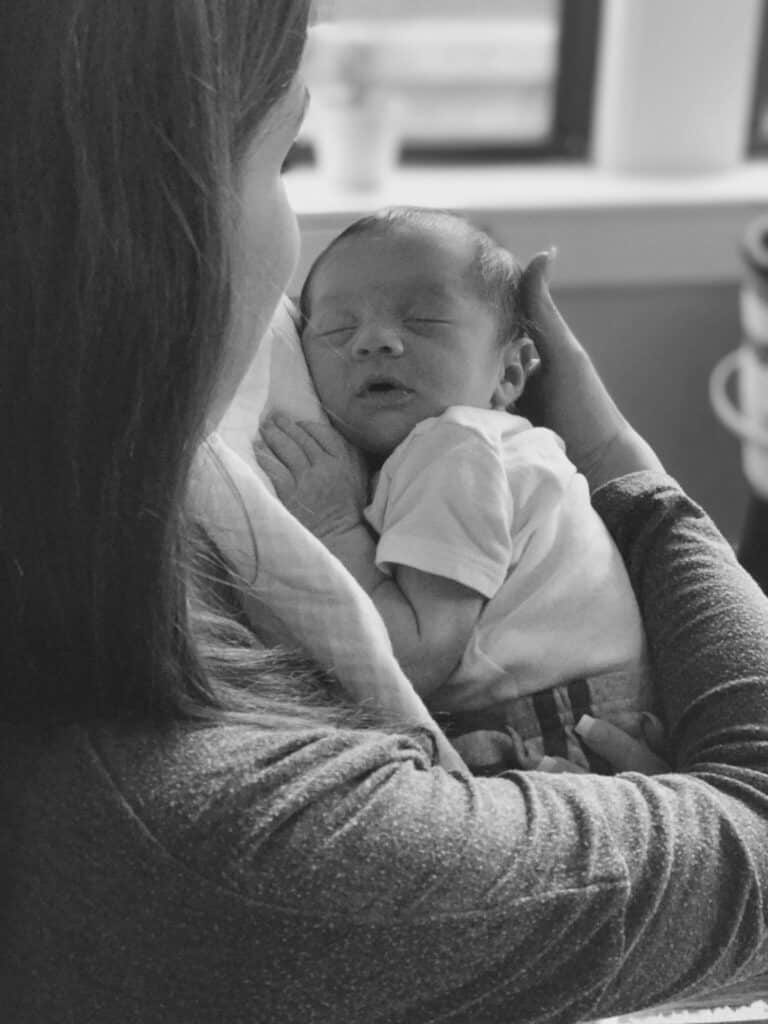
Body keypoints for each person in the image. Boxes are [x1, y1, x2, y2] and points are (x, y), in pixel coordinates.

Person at [3, 2, 768, 1023]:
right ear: (141, 242)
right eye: (282, 158)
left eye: (417, 319)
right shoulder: (229, 844)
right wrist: (625, 467)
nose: (363, 344)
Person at [257, 207, 656, 774]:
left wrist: (334, 526)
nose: (374, 341)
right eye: (339, 329)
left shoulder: (455, 449)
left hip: (545, 735)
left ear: (511, 373)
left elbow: (415, 659)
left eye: (424, 321)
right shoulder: (481, 448)